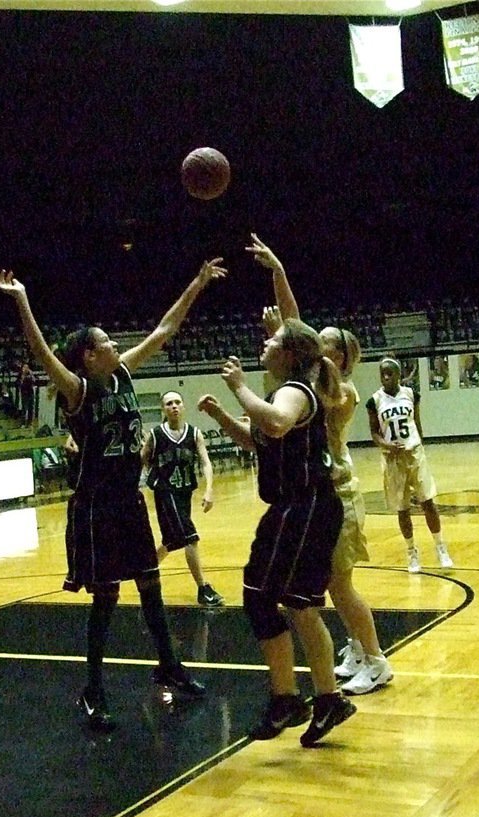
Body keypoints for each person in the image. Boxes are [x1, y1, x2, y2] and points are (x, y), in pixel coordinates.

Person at [0, 259, 225, 732]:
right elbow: (40, 352)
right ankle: (92, 690)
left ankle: (170, 666)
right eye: (106, 343)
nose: (116, 345)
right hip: (96, 507)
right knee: (106, 598)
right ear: (89, 357)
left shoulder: (122, 374)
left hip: (129, 502)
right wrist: (22, 300)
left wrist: (196, 282)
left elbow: (164, 330)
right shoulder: (77, 390)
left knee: (151, 587)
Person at [197, 315, 355, 746]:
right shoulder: (285, 391)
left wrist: (237, 386)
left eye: (271, 342)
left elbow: (277, 423)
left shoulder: (295, 391)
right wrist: (222, 414)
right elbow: (258, 438)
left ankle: (287, 697)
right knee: (299, 606)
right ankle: (326, 700)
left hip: (304, 506)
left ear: (287, 353)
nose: (263, 345)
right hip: (303, 507)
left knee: (261, 597)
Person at [247, 233, 392, 696]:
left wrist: (280, 277)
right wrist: (278, 274)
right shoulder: (315, 378)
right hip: (318, 493)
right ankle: (355, 648)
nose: (317, 343)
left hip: (337, 492)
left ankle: (376, 659)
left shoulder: (340, 391)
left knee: (340, 586)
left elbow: (295, 333)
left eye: (326, 342)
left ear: (340, 357)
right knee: (325, 586)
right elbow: (295, 332)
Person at [367, 356, 453, 573]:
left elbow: (418, 424)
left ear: (398, 374)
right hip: (393, 459)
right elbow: (374, 433)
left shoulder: (411, 394)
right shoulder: (374, 401)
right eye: (382, 374)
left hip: (414, 454)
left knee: (428, 502)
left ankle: (440, 547)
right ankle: (411, 552)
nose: (386, 377)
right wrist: (386, 446)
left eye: (390, 373)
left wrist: (418, 445)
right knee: (402, 508)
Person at [141, 391, 223, 608]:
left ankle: (145, 573)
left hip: (185, 491)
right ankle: (203, 589)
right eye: (169, 403)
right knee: (190, 537)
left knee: (171, 541)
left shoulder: (194, 434)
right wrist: (150, 478)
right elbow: (142, 459)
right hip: (166, 492)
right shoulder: (156, 434)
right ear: (163, 409)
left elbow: (206, 462)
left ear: (183, 406)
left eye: (178, 402)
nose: (174, 406)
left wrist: (209, 490)